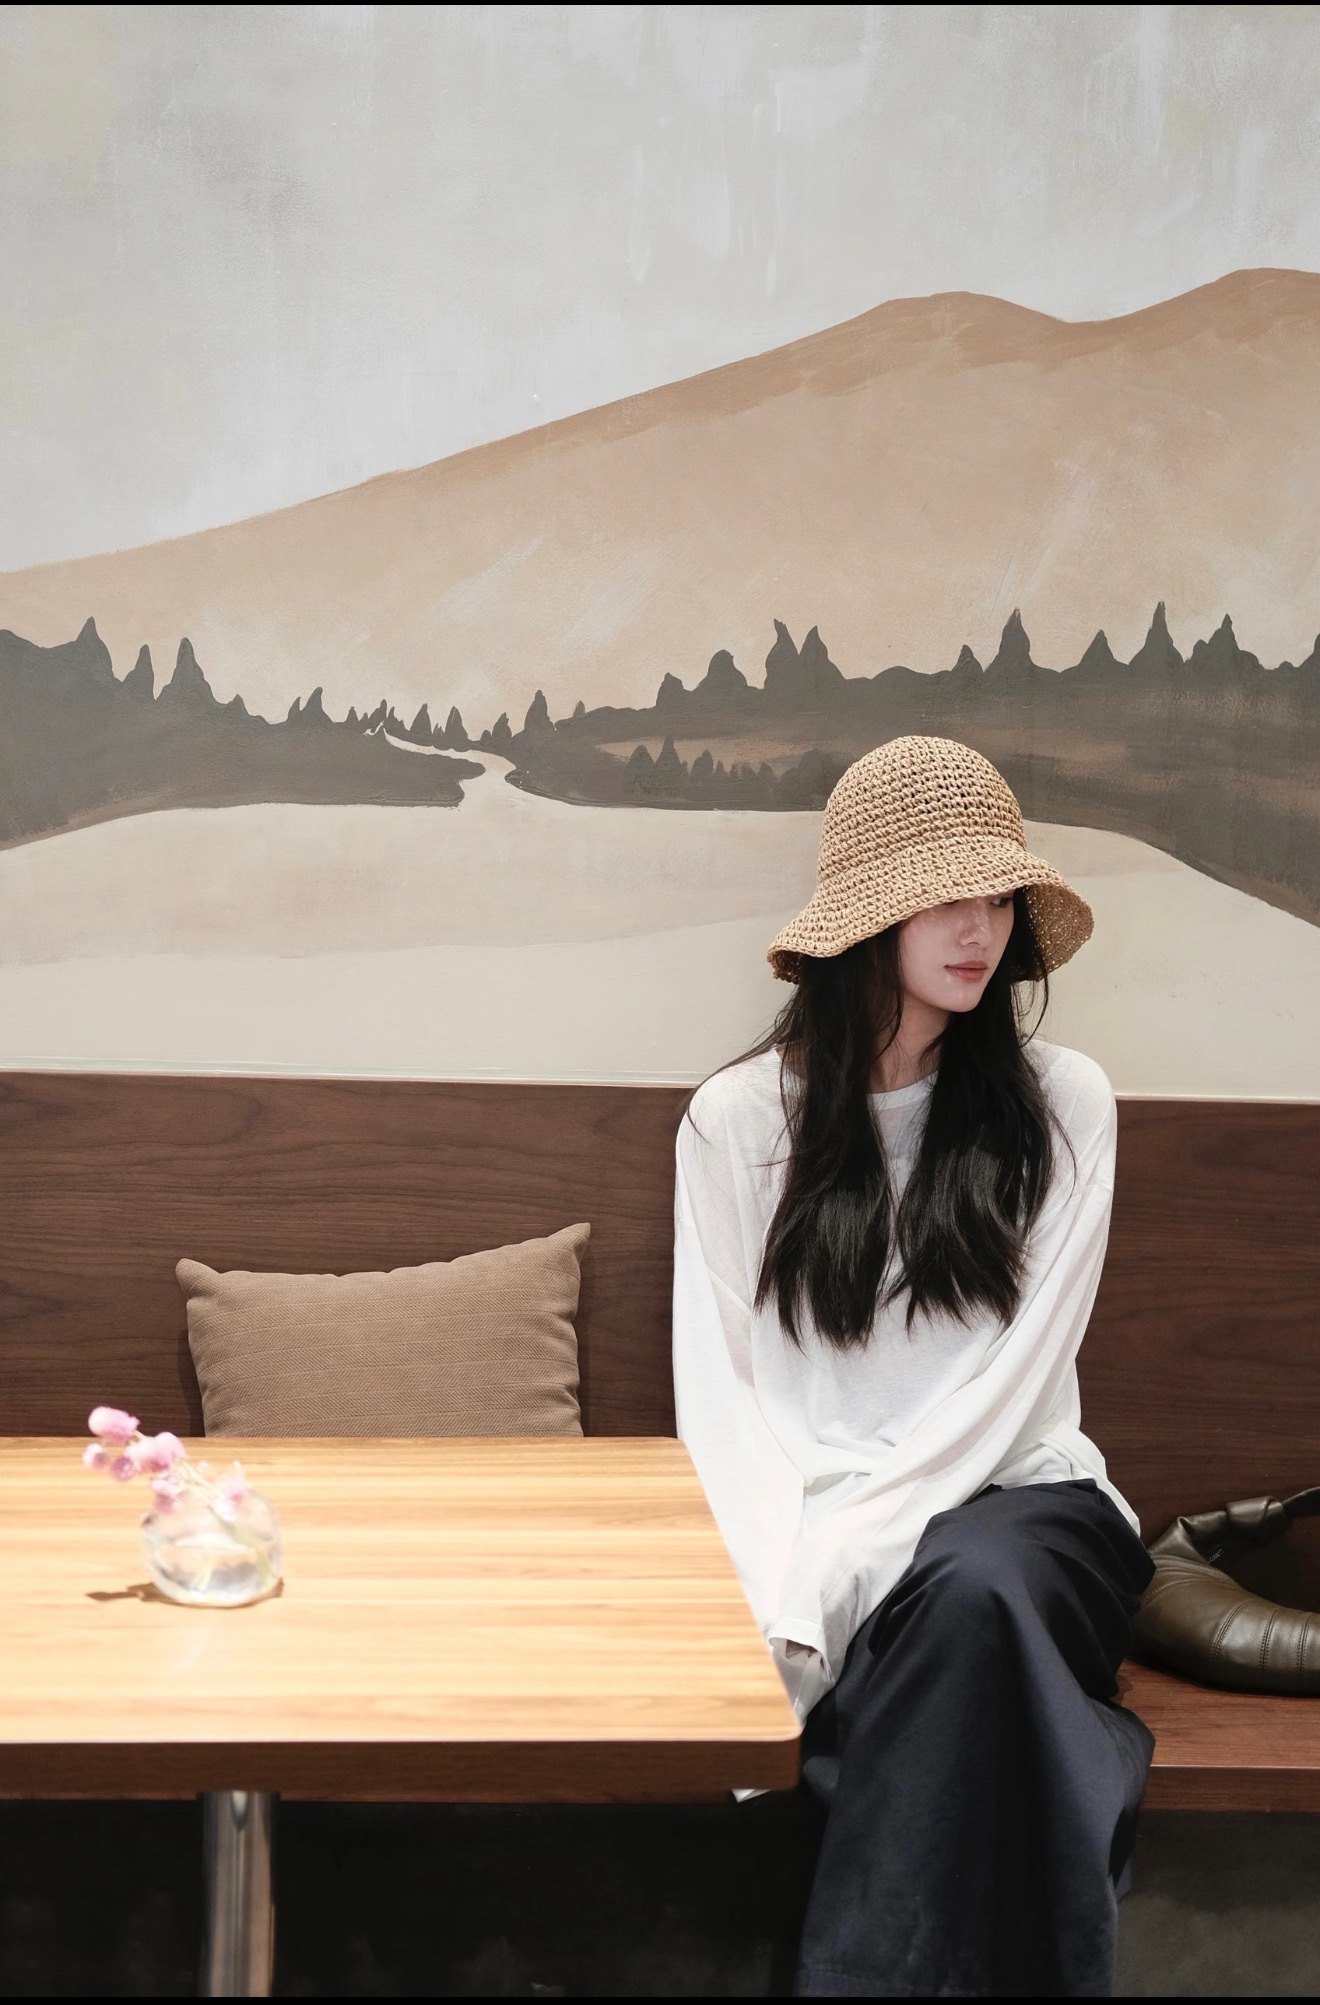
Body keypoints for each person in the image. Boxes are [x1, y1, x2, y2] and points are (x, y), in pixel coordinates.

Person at [673, 735, 1154, 1998]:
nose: (978, 928)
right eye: (943, 896)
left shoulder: (1065, 1105)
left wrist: (844, 1573)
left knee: (967, 1593)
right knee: (947, 1641)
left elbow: (1011, 1391)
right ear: (866, 916)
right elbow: (727, 1399)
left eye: (997, 896)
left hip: (1026, 1507)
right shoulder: (738, 1122)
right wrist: (786, 1593)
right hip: (818, 1527)